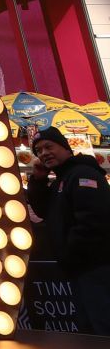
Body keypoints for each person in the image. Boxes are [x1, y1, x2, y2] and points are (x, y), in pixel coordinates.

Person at [27, 128, 110, 333]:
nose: (44, 153)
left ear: (65, 147)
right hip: (80, 268)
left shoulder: (83, 175)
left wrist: (69, 254)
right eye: (38, 150)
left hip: (95, 267)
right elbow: (44, 209)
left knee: (101, 327)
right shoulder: (62, 179)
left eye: (49, 146)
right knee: (89, 328)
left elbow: (92, 221)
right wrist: (38, 180)